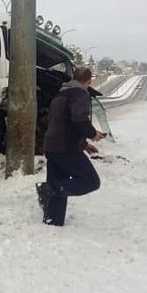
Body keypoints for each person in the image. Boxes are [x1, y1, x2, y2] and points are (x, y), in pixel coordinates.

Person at [36, 66, 106, 226]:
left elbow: (63, 124)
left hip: (52, 146)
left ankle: (53, 220)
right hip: (65, 148)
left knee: (60, 182)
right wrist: (93, 133)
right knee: (91, 180)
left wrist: (84, 144)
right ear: (89, 80)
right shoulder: (80, 94)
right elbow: (79, 120)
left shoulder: (60, 94)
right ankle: (49, 190)